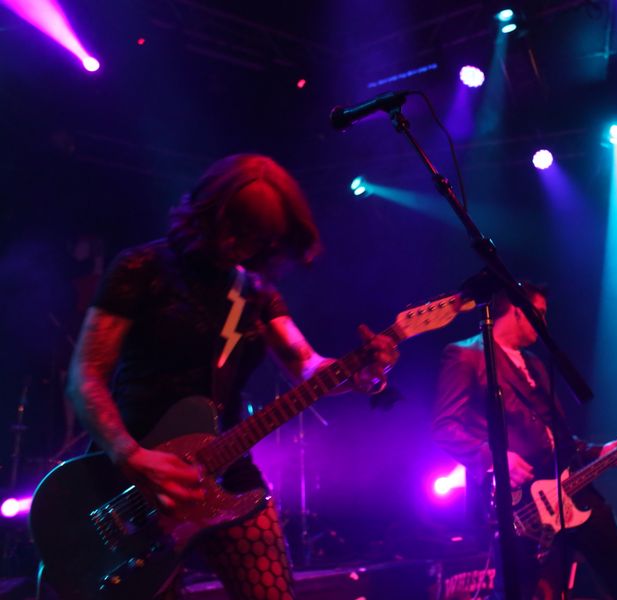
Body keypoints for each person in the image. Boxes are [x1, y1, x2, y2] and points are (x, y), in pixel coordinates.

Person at [65, 154, 399, 600]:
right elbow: (86, 374)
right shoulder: (141, 268)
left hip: (225, 464)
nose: (234, 243)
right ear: (207, 211)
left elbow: (306, 366)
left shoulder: (255, 292)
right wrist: (129, 455)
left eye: (252, 236)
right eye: (231, 228)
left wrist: (360, 373)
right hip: (135, 472)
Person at [432, 283, 617, 600]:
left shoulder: (535, 364)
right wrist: (497, 459)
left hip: (570, 486)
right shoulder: (466, 355)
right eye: (540, 313)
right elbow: (445, 427)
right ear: (517, 311)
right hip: (518, 499)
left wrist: (599, 452)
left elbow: (558, 436)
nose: (545, 323)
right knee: (520, 588)